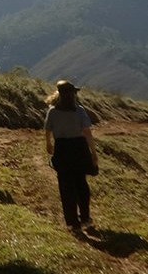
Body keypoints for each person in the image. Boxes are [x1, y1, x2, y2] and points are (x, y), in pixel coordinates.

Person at [44, 80, 99, 232]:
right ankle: (86, 218)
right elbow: (87, 132)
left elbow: (48, 130)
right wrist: (93, 153)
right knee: (81, 183)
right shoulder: (79, 110)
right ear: (72, 94)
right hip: (79, 148)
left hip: (62, 149)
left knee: (66, 186)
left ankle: (73, 223)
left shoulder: (53, 111)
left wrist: (49, 144)